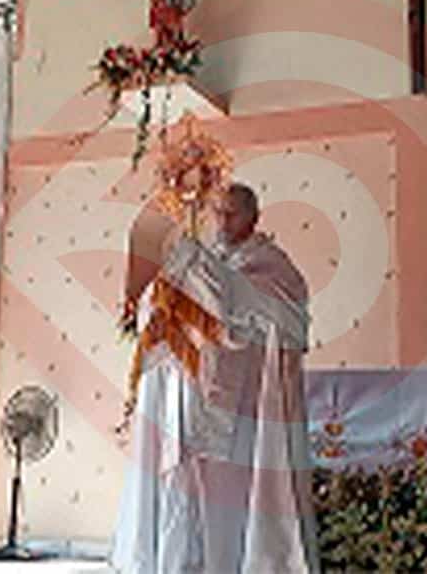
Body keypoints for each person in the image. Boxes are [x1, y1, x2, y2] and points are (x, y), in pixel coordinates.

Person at [109, 183, 321, 573]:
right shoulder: (197, 261)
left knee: (230, 507)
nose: (222, 220)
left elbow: (274, 320)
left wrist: (198, 266)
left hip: (245, 412)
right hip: (191, 396)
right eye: (218, 211)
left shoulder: (272, 265)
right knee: (183, 494)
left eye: (232, 213)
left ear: (254, 217)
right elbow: (169, 316)